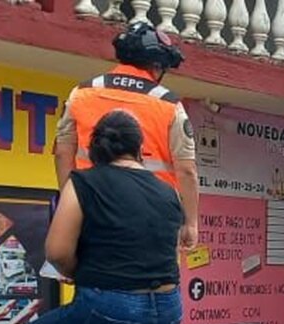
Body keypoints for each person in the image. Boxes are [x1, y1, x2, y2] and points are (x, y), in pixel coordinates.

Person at [14, 111, 183, 324]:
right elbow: (171, 255)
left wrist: (78, 272)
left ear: (96, 148)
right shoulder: (169, 192)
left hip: (109, 308)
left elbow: (57, 252)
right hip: (169, 311)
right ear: (140, 149)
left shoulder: (83, 182)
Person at [53, 22, 199, 251]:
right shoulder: (169, 105)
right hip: (151, 215)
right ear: (157, 66)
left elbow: (63, 153)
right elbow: (186, 171)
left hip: (93, 207)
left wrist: (70, 204)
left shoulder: (81, 92)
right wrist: (191, 223)